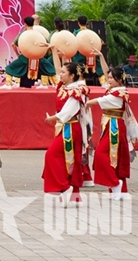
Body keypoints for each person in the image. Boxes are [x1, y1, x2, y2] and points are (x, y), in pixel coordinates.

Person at [85, 66, 138, 200]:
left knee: (101, 154)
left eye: (112, 78)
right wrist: (101, 57)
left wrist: (87, 103)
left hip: (114, 127)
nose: (109, 79)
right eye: (109, 77)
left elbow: (100, 101)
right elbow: (106, 70)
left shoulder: (118, 94)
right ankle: (122, 191)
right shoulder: (114, 91)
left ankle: (115, 183)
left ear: (119, 79)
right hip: (110, 125)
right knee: (115, 157)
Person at [43, 59, 89, 207]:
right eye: (61, 72)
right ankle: (74, 195)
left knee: (52, 155)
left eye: (63, 72)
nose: (60, 74)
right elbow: (58, 68)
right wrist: (54, 51)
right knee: (69, 159)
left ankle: (64, 186)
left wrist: (52, 118)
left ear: (72, 75)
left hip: (71, 127)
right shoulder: (64, 87)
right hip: (65, 127)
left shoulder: (76, 91)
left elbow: (68, 111)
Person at [1, 16, 37, 90]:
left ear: (25, 24)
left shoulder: (23, 34)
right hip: (34, 58)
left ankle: (8, 84)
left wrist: (17, 54)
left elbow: (13, 44)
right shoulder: (37, 34)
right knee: (27, 75)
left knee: (9, 68)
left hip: (24, 56)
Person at [72, 16, 106, 86]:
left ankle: (81, 83)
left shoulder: (76, 33)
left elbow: (72, 43)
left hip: (80, 56)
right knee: (99, 65)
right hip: (92, 54)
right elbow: (101, 42)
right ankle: (103, 82)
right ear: (86, 23)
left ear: (78, 23)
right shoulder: (91, 32)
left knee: (78, 65)